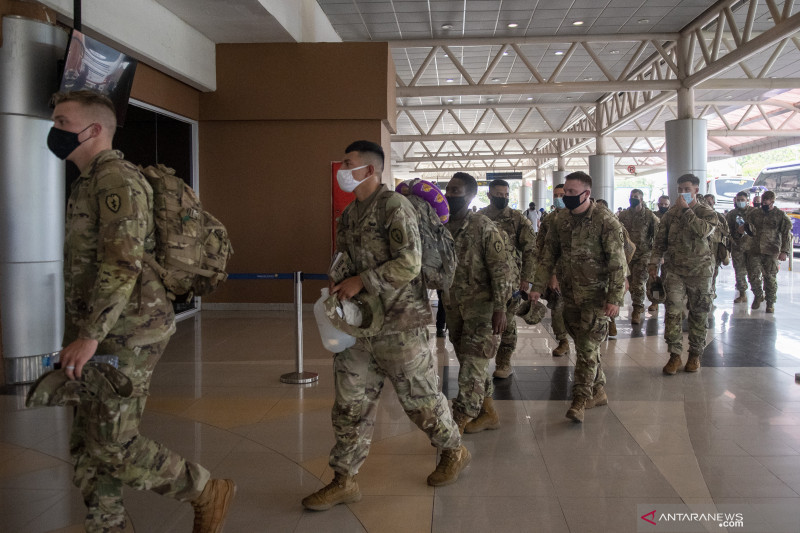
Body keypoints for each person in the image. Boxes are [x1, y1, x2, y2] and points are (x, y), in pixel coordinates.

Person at [49, 90, 234, 532]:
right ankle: (107, 525)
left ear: (93, 130)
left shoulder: (116, 181)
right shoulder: (88, 181)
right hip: (100, 328)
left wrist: (90, 334)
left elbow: (122, 261)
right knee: (87, 443)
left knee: (112, 442)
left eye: (61, 121)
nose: (54, 130)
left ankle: (205, 490)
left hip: (129, 331)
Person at [302, 141, 468, 512]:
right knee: (349, 406)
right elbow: (343, 255)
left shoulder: (395, 206)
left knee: (421, 402)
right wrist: (338, 280)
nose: (343, 169)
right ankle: (344, 480)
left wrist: (362, 281)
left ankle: (453, 450)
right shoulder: (350, 213)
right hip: (359, 326)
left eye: (349, 163)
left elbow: (410, 263)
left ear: (370, 170)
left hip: (400, 325)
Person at [530, 171, 626, 423]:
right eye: (564, 193)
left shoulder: (606, 222)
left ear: (587, 193)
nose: (566, 197)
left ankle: (579, 400)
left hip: (597, 298)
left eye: (571, 193)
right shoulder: (560, 220)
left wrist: (615, 298)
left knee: (585, 349)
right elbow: (548, 255)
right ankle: (599, 389)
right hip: (570, 295)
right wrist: (538, 286)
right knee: (586, 346)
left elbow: (618, 263)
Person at [443, 172, 512, 434]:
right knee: (471, 363)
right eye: (448, 190)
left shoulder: (482, 226)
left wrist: (500, 308)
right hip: (455, 309)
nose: (449, 195)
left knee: (471, 369)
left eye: (456, 191)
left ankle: (457, 424)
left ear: (470, 195)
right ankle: (488, 411)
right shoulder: (443, 227)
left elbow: (501, 269)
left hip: (482, 312)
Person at [648, 174, 718, 375]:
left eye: (687, 189)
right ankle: (675, 355)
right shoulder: (670, 214)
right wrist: (654, 263)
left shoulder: (707, 213)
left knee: (699, 313)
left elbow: (703, 231)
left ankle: (695, 354)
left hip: (701, 272)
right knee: (672, 312)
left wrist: (687, 211)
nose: (683, 193)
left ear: (696, 190)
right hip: (675, 271)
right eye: (680, 189)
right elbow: (660, 241)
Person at [479, 179, 537, 378]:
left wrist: (527, 278)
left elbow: (530, 249)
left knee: (508, 324)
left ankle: (503, 362)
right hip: (483, 282)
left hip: (511, 281)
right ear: (489, 195)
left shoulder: (517, 219)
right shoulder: (480, 218)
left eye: (505, 195)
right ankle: (480, 361)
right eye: (498, 194)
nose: (503, 198)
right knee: (482, 323)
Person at [742, 190, 792, 313]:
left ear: (772, 202)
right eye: (763, 200)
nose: (764, 203)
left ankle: (770, 302)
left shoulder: (780, 215)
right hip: (755, 249)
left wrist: (784, 251)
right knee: (753, 275)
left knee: (770, 278)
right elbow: (747, 224)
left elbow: (786, 235)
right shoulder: (755, 213)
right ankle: (758, 296)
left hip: (772, 250)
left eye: (767, 201)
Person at [536, 184, 570, 357]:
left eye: (562, 194)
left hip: (581, 277)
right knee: (557, 309)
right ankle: (563, 341)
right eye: (556, 195)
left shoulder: (580, 217)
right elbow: (543, 248)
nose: (559, 198)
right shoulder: (549, 220)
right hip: (557, 275)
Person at [618, 190, 659, 322]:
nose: (633, 199)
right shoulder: (623, 215)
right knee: (629, 283)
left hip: (644, 254)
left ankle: (637, 308)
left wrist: (657, 257)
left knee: (639, 282)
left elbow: (656, 236)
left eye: (636, 197)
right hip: (628, 255)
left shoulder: (649, 216)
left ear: (641, 199)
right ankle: (637, 303)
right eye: (631, 197)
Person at [726, 191, 755, 303]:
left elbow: (760, 229)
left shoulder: (754, 213)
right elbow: (727, 230)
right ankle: (742, 294)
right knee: (739, 271)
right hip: (738, 247)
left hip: (753, 247)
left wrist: (749, 228)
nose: (740, 202)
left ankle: (758, 294)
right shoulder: (732, 214)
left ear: (747, 200)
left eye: (742, 200)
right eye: (738, 200)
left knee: (754, 272)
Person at [704, 193, 731, 301]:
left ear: (714, 203)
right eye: (705, 202)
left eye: (709, 202)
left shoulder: (719, 216)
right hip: (702, 250)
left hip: (715, 249)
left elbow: (727, 232)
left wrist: (726, 250)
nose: (707, 205)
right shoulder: (698, 215)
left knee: (713, 273)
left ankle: (711, 292)